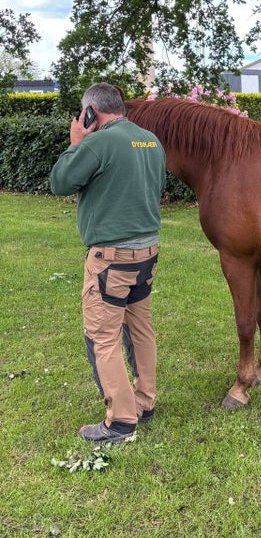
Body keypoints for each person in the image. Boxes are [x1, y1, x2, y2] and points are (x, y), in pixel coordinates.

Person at [51, 83, 166, 444]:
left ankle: (120, 421)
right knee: (140, 328)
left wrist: (76, 143)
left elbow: (60, 181)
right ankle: (144, 403)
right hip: (147, 253)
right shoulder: (150, 140)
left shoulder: (97, 143)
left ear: (91, 113)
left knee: (103, 336)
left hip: (110, 259)